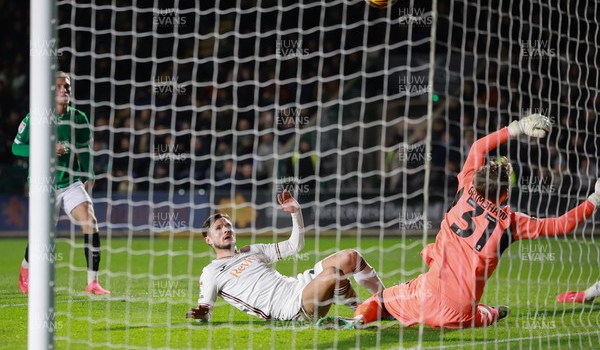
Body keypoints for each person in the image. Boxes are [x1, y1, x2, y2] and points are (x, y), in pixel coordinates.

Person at [318, 114, 599, 329]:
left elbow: (478, 146)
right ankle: (491, 314)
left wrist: (516, 128)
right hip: (462, 312)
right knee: (478, 313)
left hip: (428, 296)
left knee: (382, 300)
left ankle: (357, 321)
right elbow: (563, 225)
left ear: (477, 179)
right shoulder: (512, 222)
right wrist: (595, 200)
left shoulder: (466, 186)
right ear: (504, 193)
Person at [186, 189, 384, 322]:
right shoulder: (211, 272)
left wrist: (295, 213)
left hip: (301, 285)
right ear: (209, 240)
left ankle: (387, 303)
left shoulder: (251, 251)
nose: (225, 230)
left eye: (228, 225)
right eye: (218, 228)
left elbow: (294, 245)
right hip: (291, 308)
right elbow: (205, 309)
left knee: (351, 256)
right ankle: (364, 313)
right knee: (333, 273)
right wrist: (202, 313)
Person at [13, 71, 110, 295]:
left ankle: (92, 282)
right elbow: (16, 147)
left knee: (91, 222)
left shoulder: (79, 118)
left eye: (66, 86)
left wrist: (89, 175)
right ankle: (25, 270)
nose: (63, 90)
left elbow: (86, 149)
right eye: (57, 86)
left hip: (70, 182)